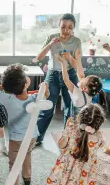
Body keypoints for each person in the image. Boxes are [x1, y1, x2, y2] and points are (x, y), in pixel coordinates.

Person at [0, 63, 49, 185]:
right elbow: (46, 95)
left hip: (16, 139)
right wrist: (45, 88)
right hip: (32, 136)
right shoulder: (35, 99)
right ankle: (27, 179)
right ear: (26, 84)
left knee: (14, 163)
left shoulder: (7, 99)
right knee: (27, 155)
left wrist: (7, 87)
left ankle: (15, 182)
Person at [34, 13, 82, 146]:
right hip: (52, 74)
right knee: (47, 107)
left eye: (70, 27)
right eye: (63, 27)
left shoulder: (76, 41)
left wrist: (69, 58)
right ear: (59, 26)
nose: (66, 30)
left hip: (70, 75)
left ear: (73, 28)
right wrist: (50, 44)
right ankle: (37, 137)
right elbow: (39, 56)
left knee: (70, 108)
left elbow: (76, 64)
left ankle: (67, 137)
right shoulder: (52, 38)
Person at [46, 103, 105, 185]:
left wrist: (66, 135)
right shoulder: (99, 137)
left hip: (66, 164)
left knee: (61, 180)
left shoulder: (71, 126)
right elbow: (101, 146)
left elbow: (61, 145)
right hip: (84, 168)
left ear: (80, 117)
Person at [56, 49, 108, 115]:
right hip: (84, 116)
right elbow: (81, 75)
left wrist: (63, 63)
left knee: (72, 124)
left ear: (84, 88)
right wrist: (78, 59)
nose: (82, 78)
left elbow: (66, 80)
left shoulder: (78, 94)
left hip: (76, 117)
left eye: (84, 79)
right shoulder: (89, 91)